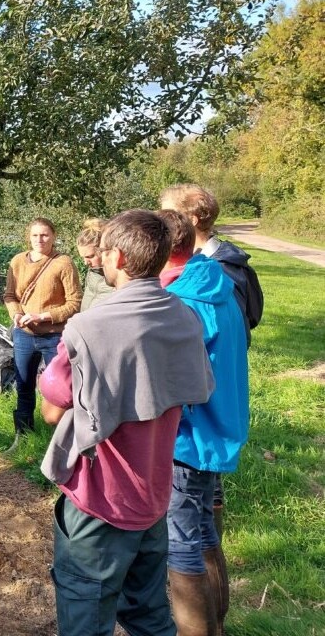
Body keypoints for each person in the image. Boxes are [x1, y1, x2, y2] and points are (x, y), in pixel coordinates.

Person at [39, 209, 214, 636]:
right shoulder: (184, 317)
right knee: (150, 614)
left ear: (115, 257)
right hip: (154, 496)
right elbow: (196, 389)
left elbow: (52, 406)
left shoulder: (89, 326)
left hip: (101, 501)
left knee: (86, 615)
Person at [157, 210, 248, 636]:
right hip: (219, 426)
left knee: (181, 543)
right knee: (204, 530)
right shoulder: (217, 283)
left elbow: (178, 380)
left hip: (191, 436)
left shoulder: (184, 301)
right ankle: (218, 624)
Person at [159, 184, 261, 540]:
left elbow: (181, 365)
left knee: (186, 534)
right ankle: (211, 591)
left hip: (196, 424)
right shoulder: (210, 275)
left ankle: (197, 590)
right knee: (200, 526)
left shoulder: (202, 282)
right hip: (213, 412)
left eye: (169, 214)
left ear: (189, 221)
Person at [3, 217, 81, 435]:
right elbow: (9, 295)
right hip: (24, 335)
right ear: (29, 237)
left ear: (53, 236)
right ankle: (23, 435)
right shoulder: (18, 261)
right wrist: (17, 314)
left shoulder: (63, 263)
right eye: (35, 235)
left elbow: (74, 303)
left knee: (59, 389)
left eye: (45, 235)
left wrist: (44, 316)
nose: (40, 239)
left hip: (54, 337)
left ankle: (63, 439)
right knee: (24, 385)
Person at [159, 184, 264, 345]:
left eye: (169, 214)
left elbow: (237, 327)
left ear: (192, 220)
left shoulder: (218, 270)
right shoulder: (225, 260)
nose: (161, 223)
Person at [77, 217, 114, 310]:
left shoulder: (119, 278)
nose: (86, 263)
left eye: (90, 256)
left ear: (103, 249)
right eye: (83, 257)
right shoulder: (92, 273)